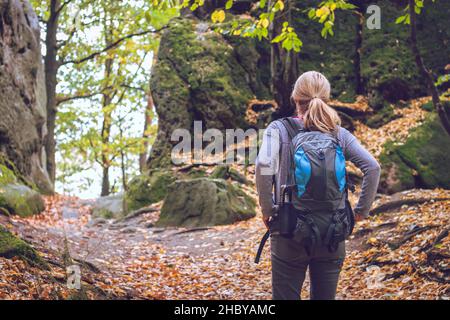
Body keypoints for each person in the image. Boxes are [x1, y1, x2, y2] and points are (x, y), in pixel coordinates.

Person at [255, 71, 381, 300]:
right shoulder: (339, 134)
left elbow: (264, 163)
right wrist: (360, 212)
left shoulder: (278, 129)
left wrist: (268, 209)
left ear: (295, 98)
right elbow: (372, 168)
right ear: (327, 99)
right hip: (333, 230)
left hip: (289, 229)